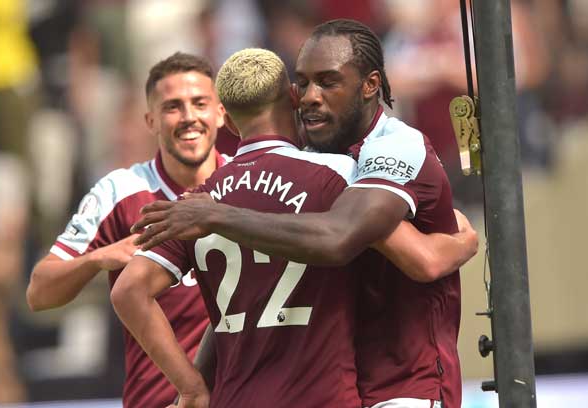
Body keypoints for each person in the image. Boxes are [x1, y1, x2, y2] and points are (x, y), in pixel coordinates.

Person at [114, 48, 476, 408]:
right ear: (293, 97)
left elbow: (128, 292)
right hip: (320, 397)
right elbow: (422, 257)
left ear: (228, 121)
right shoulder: (337, 177)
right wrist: (462, 239)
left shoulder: (198, 201)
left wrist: (190, 387)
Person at [26, 52, 228, 407]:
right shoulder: (119, 191)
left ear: (221, 113)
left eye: (200, 103)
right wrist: (95, 260)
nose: (189, 117)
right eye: (172, 107)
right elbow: (39, 292)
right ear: (151, 120)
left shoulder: (250, 183)